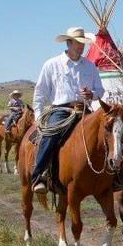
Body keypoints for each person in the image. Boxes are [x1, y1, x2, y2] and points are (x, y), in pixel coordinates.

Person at [31, 27, 105, 194]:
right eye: (78, 43)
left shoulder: (90, 66)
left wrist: (91, 94)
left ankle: (111, 177)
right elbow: (40, 92)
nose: (81, 47)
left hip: (84, 108)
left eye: (83, 43)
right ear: (68, 43)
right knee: (50, 136)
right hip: (61, 110)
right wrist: (38, 116)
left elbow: (100, 91)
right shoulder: (51, 64)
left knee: (105, 134)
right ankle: (39, 176)